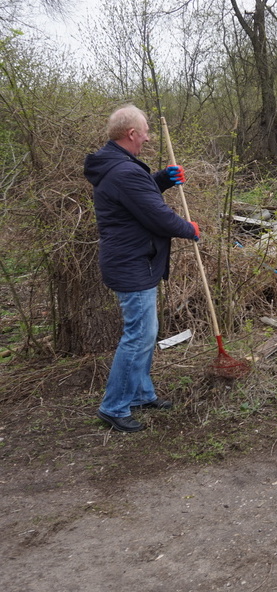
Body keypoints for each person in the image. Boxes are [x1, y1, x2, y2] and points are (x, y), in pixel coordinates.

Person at [84, 105, 199, 432]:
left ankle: (140, 394)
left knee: (145, 333)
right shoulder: (122, 171)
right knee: (139, 335)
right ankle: (114, 406)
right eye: (145, 131)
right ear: (132, 134)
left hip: (134, 261)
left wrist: (162, 179)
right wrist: (189, 229)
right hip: (131, 264)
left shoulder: (118, 166)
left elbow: (138, 194)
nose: (148, 137)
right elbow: (156, 216)